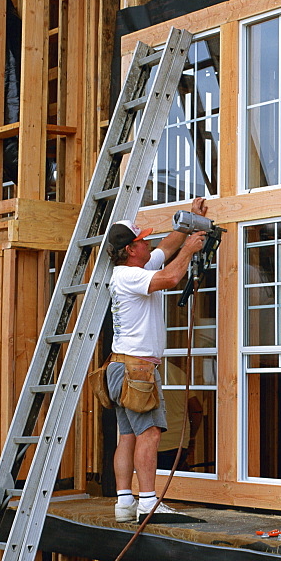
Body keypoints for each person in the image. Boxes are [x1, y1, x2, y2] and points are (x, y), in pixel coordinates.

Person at [104, 198, 210, 522]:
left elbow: (166, 246)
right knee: (149, 434)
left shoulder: (136, 269)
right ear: (130, 249)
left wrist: (188, 222)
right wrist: (190, 250)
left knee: (127, 436)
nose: (148, 242)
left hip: (120, 366)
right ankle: (148, 502)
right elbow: (171, 278)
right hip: (137, 369)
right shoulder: (128, 277)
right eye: (142, 240)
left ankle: (125, 502)